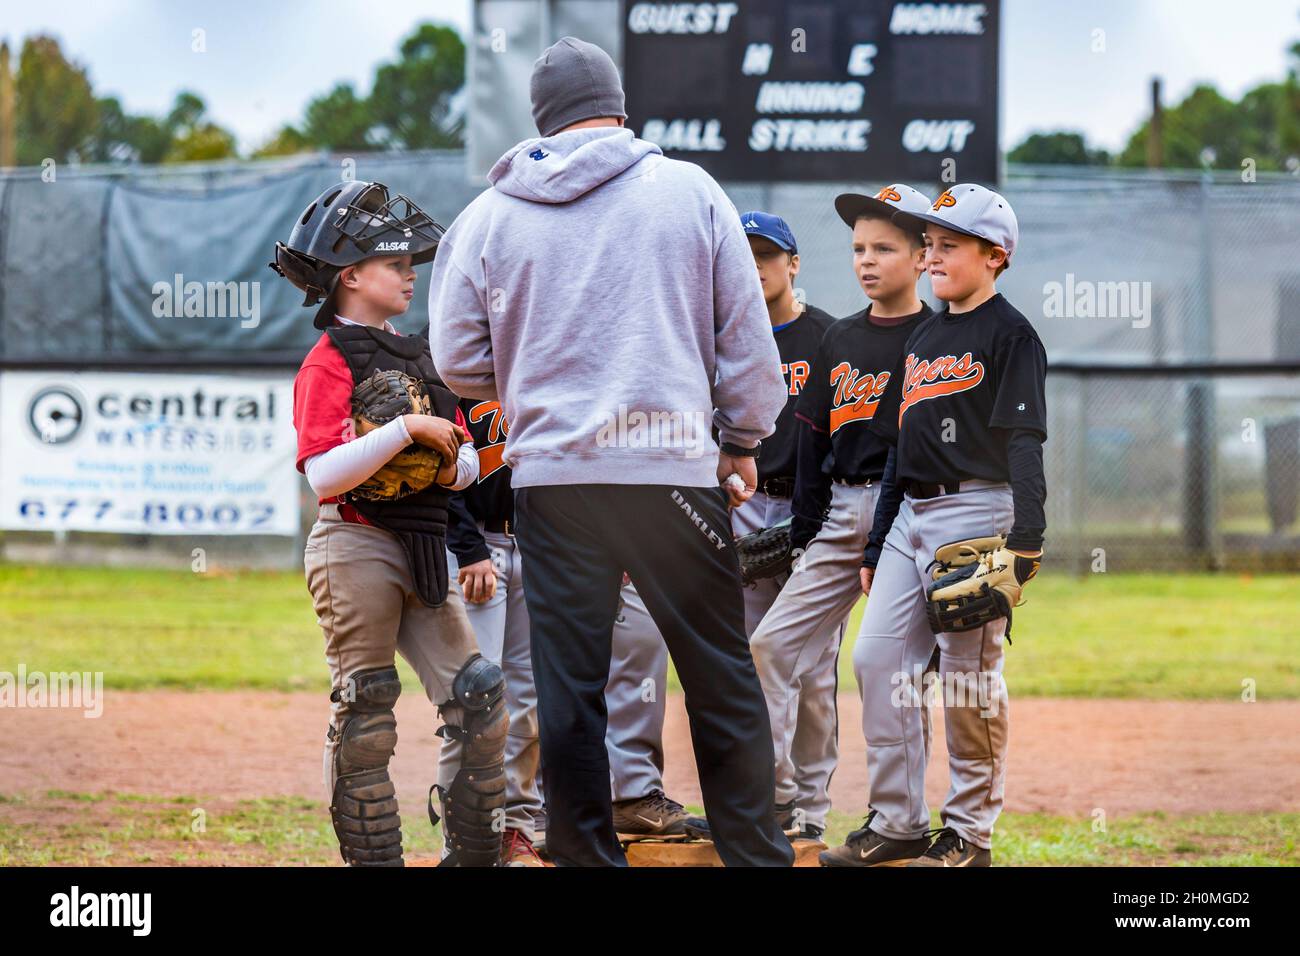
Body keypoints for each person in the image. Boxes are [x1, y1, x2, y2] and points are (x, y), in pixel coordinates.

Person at [428, 36, 794, 867]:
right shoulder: (689, 191)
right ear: (620, 107)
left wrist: (527, 383)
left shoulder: (490, 213)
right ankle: (756, 855)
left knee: (568, 685)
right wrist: (740, 441)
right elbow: (745, 339)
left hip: (555, 482)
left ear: (542, 117)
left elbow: (455, 358)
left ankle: (588, 854)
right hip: (670, 474)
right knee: (717, 673)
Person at [272, 180, 507, 867]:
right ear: (351, 277)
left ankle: (469, 855)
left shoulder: (424, 357)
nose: (411, 274)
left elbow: (466, 467)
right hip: (355, 543)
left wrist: (438, 463)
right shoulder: (329, 360)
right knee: (368, 705)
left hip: (425, 544)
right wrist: (405, 429)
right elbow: (321, 475)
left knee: (479, 696)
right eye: (395, 264)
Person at [821, 184, 1047, 868]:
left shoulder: (1012, 335)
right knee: (878, 660)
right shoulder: (923, 335)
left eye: (950, 244)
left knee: (968, 677)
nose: (934, 253)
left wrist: (1028, 541)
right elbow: (899, 447)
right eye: (931, 243)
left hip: (979, 514)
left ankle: (971, 835)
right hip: (909, 517)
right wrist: (877, 536)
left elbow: (1024, 442)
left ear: (995, 255)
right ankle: (897, 823)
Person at [744, 188, 936, 848]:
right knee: (772, 647)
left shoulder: (935, 339)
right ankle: (770, 803)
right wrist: (803, 532)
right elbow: (812, 442)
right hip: (839, 508)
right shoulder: (838, 338)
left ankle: (896, 819)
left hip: (908, 509)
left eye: (884, 248)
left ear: (920, 256)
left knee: (879, 665)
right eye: (859, 249)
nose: (867, 260)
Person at [442, 398, 700, 865]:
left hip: (541, 542)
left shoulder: (542, 361)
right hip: (479, 549)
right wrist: (467, 547)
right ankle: (465, 838)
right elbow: (443, 476)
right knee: (475, 701)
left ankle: (517, 826)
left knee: (527, 699)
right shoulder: (453, 371)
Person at [727, 210, 837, 842]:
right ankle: (768, 800)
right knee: (748, 665)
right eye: (744, 254)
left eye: (767, 254)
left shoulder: (828, 338)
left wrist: (816, 521)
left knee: (813, 672)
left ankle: (810, 811)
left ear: (793, 263)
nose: (756, 265)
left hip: (808, 511)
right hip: (741, 507)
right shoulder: (725, 337)